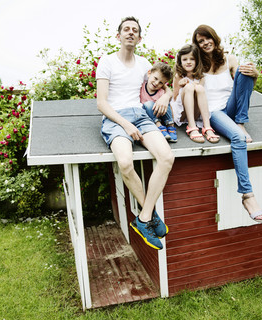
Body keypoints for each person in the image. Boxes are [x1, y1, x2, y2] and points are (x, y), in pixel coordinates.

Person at [96, 17, 175, 250]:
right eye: (126, 29)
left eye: (135, 30)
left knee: (167, 158)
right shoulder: (107, 62)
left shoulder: (144, 64)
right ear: (118, 36)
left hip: (141, 116)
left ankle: (143, 217)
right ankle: (149, 214)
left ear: (139, 38)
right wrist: (126, 125)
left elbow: (164, 84)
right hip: (114, 117)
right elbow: (101, 103)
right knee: (125, 162)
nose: (130, 32)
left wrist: (166, 96)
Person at [192, 24, 262, 222]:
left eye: (208, 38)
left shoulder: (229, 59)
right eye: (200, 41)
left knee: (245, 70)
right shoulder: (197, 64)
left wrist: (254, 73)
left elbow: (244, 86)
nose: (205, 42)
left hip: (231, 109)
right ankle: (247, 196)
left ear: (214, 38)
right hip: (214, 113)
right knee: (238, 137)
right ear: (197, 45)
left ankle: (241, 121)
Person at [171, 44, 220, 144]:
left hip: (196, 112)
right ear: (180, 61)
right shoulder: (178, 76)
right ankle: (192, 127)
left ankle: (207, 126)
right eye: (185, 59)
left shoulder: (201, 77)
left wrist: (195, 85)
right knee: (189, 87)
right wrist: (181, 86)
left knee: (199, 88)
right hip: (182, 113)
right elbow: (174, 98)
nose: (188, 62)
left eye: (192, 59)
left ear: (197, 61)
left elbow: (200, 93)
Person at [140, 62, 177, 143]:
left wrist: (172, 122)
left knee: (165, 102)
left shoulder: (161, 92)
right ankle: (159, 127)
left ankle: (170, 127)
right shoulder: (141, 87)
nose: (156, 83)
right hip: (151, 118)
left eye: (161, 83)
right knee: (148, 104)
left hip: (161, 114)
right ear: (149, 73)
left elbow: (169, 107)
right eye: (155, 78)